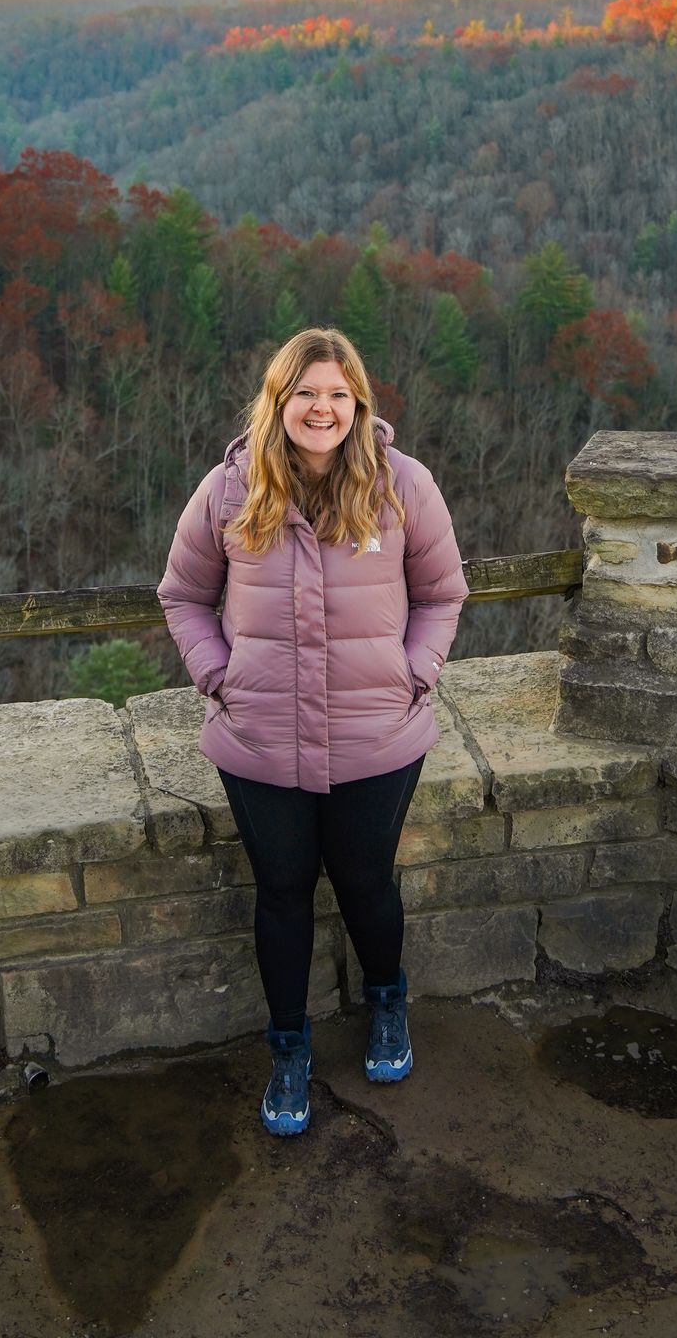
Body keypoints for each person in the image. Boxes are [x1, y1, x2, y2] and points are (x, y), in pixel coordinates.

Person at [157, 327, 469, 1136]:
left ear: (358, 401)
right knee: (284, 893)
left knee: (367, 882)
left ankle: (388, 1004)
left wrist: (416, 672)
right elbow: (182, 594)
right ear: (279, 402)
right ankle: (289, 1049)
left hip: (377, 731)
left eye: (336, 393)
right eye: (305, 394)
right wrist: (219, 677)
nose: (321, 408)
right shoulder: (230, 490)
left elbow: (443, 593)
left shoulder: (403, 486)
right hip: (260, 735)